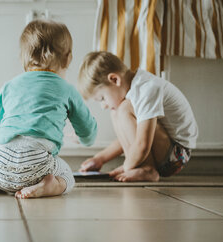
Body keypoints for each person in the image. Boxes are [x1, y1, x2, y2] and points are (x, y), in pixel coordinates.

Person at [0, 19, 97, 198]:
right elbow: (87, 129)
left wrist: (3, 147)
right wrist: (84, 139)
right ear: (68, 58)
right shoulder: (66, 89)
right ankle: (48, 186)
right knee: (66, 175)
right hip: (37, 164)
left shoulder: (10, 85)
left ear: (23, 57)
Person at [78, 51, 198, 182]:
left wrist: (125, 167)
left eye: (102, 98)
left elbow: (142, 143)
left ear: (114, 79)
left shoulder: (147, 89)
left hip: (177, 155)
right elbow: (135, 136)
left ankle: (147, 169)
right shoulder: (134, 92)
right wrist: (100, 158)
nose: (103, 106)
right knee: (117, 111)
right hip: (166, 151)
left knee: (123, 109)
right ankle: (143, 167)